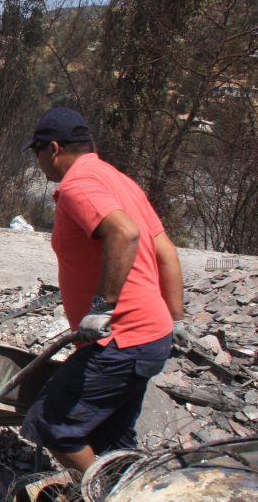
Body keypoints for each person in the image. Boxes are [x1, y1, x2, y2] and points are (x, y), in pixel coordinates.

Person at [19, 107, 186, 473]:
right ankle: (129, 498)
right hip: (148, 337)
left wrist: (102, 307)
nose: (38, 162)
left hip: (121, 341)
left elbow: (124, 232)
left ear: (55, 149)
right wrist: (174, 320)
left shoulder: (79, 185)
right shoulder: (119, 181)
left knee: (53, 424)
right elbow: (166, 252)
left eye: (37, 152)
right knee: (114, 437)